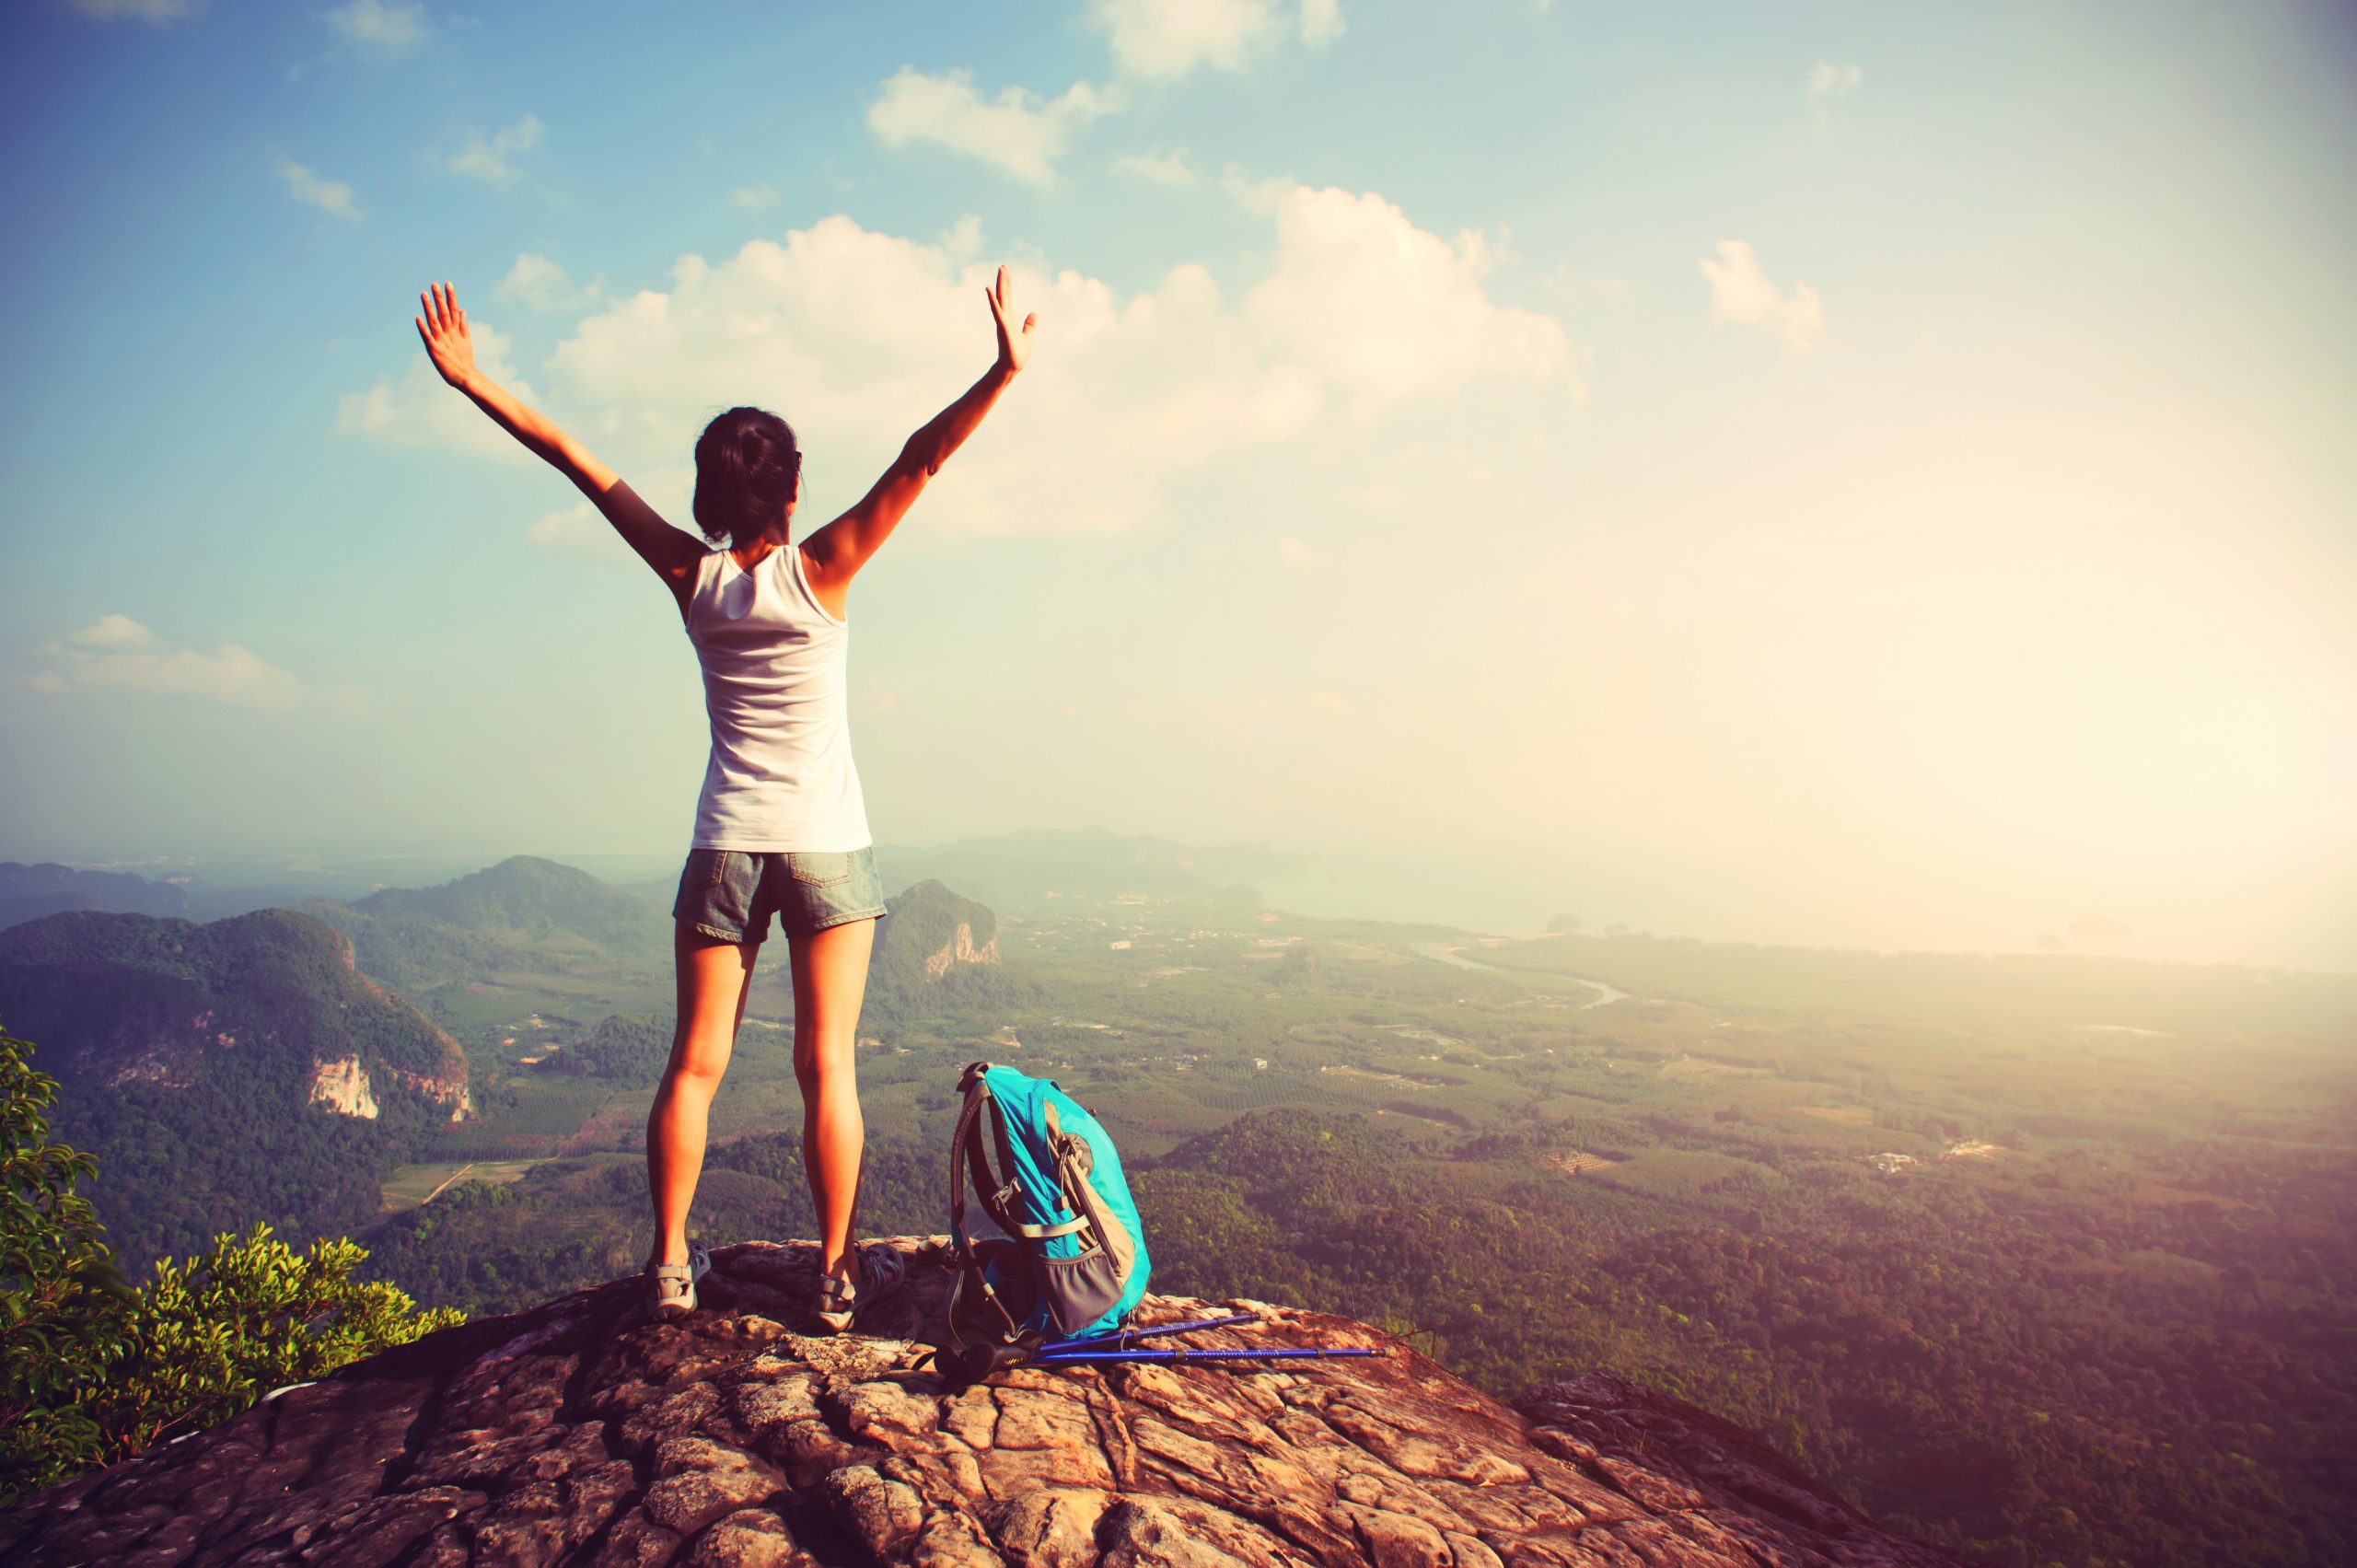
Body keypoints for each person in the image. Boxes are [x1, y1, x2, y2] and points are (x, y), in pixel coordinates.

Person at [414, 266, 1037, 1328]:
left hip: (725, 844)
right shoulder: (827, 566)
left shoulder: (689, 578)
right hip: (828, 845)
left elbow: (574, 460)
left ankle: (668, 1267)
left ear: (709, 498)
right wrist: (1002, 371)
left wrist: (472, 379)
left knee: (694, 1065)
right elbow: (919, 460)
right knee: (825, 1064)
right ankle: (837, 1277)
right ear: (791, 491)